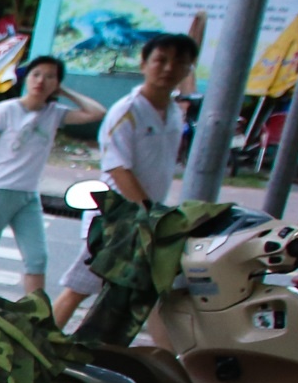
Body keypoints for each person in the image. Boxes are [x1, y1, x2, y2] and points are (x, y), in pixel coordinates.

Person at [51, 33, 199, 326]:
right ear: (144, 64)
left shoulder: (173, 112)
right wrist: (150, 215)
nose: (169, 68)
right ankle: (35, 348)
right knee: (80, 288)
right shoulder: (126, 111)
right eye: (161, 60)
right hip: (115, 217)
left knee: (145, 292)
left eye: (179, 62)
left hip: (144, 219)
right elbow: (119, 169)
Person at [0, 55, 106, 297]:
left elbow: (97, 112)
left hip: (28, 197)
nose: (41, 81)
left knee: (37, 259)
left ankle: (35, 317)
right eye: (36, 74)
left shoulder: (55, 113)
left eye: (50, 77)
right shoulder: (4, 111)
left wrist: (65, 92)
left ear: (56, 84)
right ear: (26, 78)